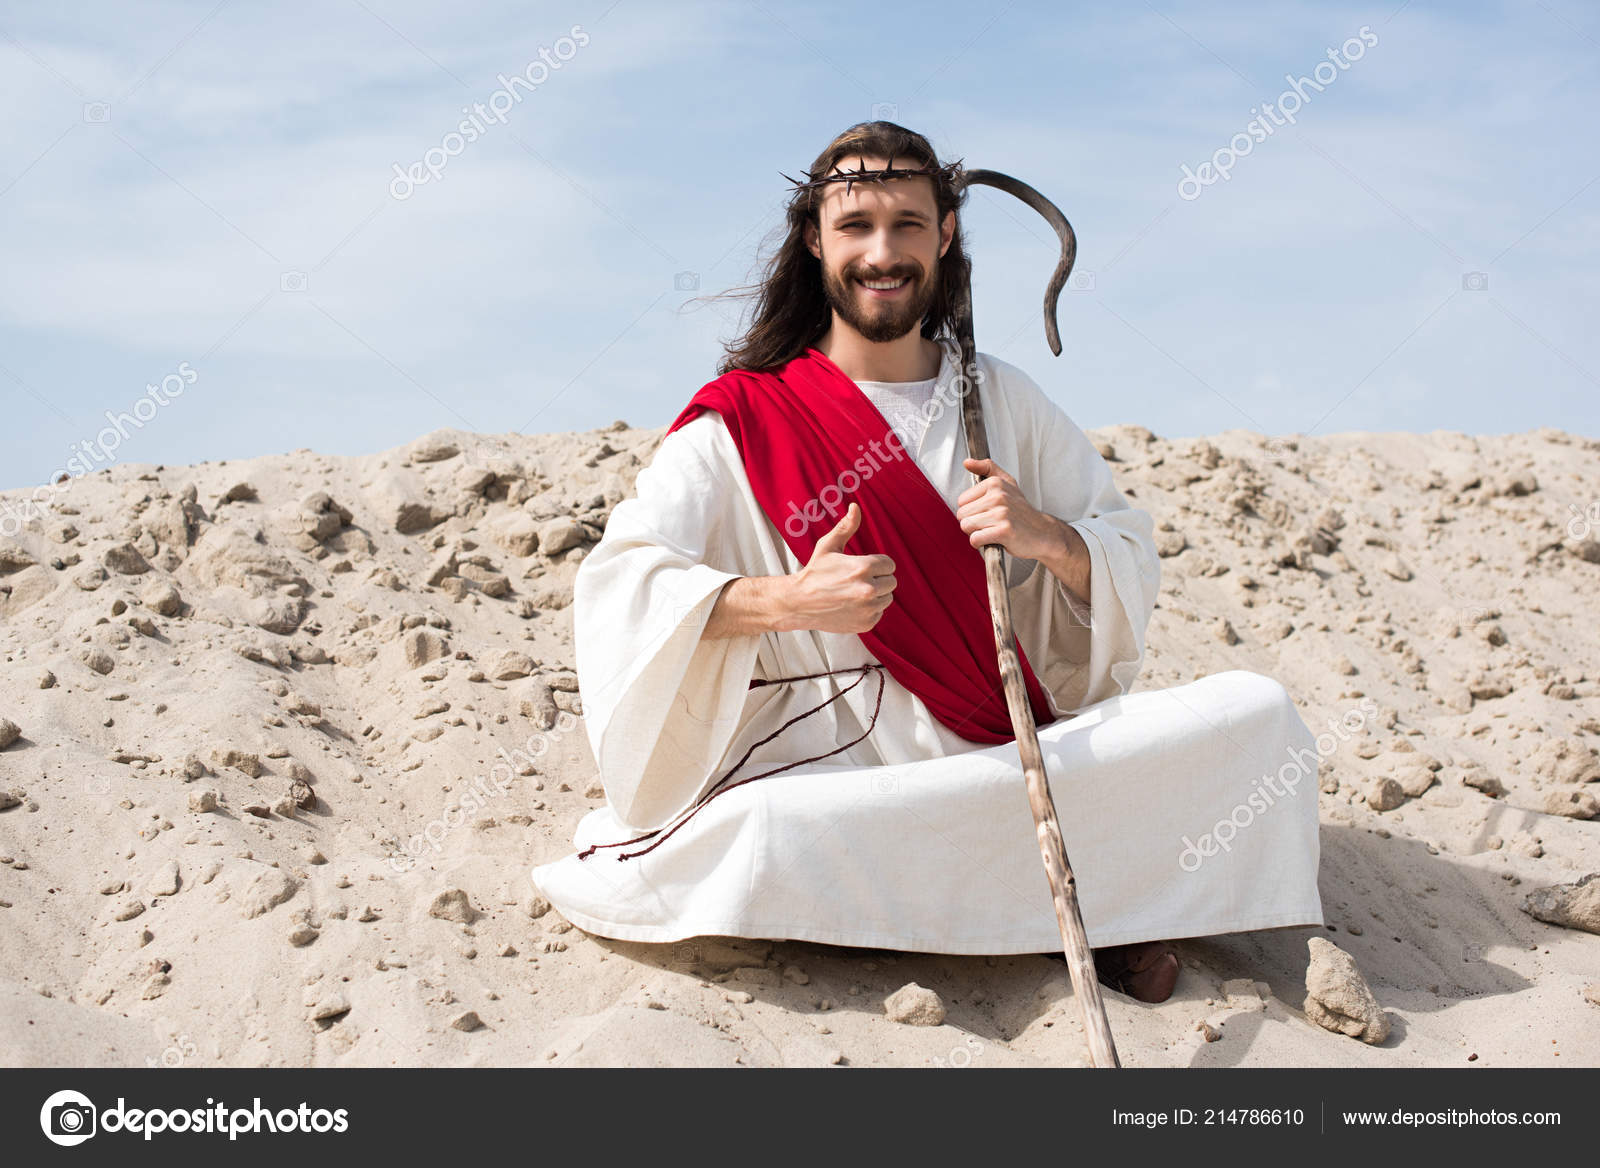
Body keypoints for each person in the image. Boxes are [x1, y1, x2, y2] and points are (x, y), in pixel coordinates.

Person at [530, 121, 1322, 1004]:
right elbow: (621, 582)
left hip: (1006, 744)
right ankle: (1104, 896)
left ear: (945, 236)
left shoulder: (999, 396)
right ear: (814, 240)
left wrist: (1049, 538)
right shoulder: (746, 415)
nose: (883, 252)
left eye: (908, 224)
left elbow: (1123, 540)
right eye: (857, 226)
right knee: (760, 834)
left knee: (1258, 716)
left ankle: (1017, 895)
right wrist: (785, 600)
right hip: (838, 767)